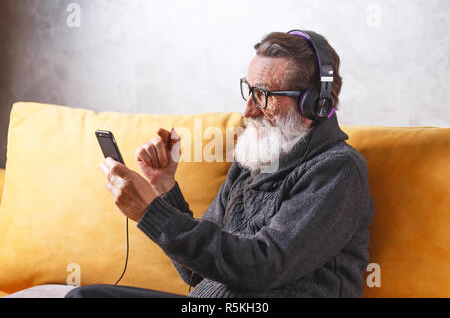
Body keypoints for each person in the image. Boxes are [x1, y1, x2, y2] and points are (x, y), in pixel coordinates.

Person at [66, 30, 375, 298]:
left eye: (263, 95)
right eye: (249, 89)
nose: (248, 110)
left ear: (314, 104)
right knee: (83, 295)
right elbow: (195, 274)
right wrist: (164, 188)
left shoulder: (338, 170)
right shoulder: (253, 158)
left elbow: (262, 267)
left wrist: (150, 213)